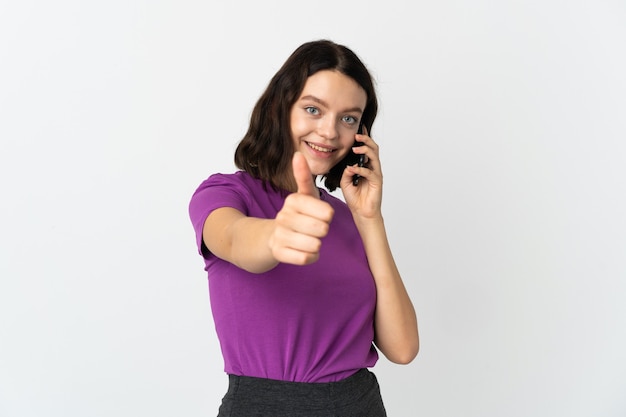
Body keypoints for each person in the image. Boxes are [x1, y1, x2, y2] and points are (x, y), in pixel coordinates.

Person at [188, 39, 419, 417]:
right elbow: (233, 237)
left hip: (360, 404)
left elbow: (403, 347)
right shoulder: (226, 193)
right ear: (281, 109)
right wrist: (277, 235)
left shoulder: (348, 219)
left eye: (348, 118)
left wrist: (369, 219)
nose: (330, 132)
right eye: (313, 109)